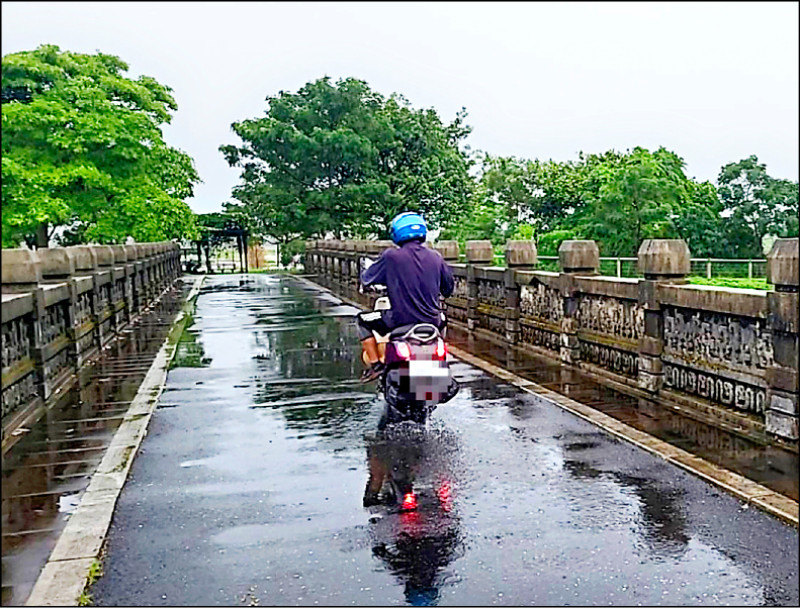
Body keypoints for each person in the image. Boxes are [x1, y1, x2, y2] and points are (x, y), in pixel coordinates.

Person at [357, 212, 454, 383]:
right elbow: (448, 289)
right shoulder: (436, 257)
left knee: (362, 319)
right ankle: (439, 361)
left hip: (398, 319)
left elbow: (367, 278)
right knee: (443, 321)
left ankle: (375, 366)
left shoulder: (391, 256)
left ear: (396, 233)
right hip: (432, 320)